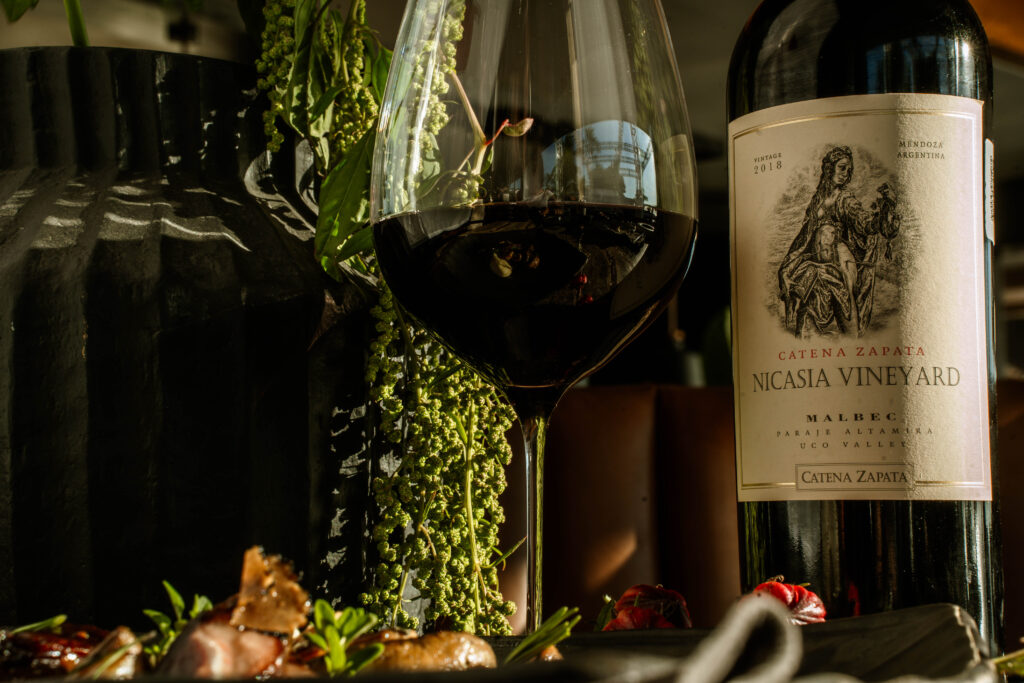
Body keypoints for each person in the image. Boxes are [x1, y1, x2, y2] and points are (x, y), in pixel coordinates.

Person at [778, 146, 900, 337]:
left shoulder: (845, 198)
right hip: (815, 259)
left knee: (845, 300)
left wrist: (885, 213)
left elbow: (864, 222)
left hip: (840, 258)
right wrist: (789, 265)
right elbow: (805, 235)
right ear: (830, 169)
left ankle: (852, 337)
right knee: (804, 301)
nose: (845, 173)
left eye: (848, 170)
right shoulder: (817, 200)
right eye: (842, 167)